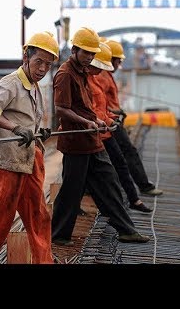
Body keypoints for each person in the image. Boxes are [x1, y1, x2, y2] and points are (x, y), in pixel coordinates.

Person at [0, 31, 57, 264]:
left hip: (29, 158)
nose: (43, 69)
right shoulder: (11, 83)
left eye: (48, 64)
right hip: (8, 161)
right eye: (39, 62)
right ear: (26, 57)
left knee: (39, 215)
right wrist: (14, 128)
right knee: (0, 219)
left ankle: (45, 261)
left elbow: (28, 121)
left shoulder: (34, 86)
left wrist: (38, 133)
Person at [51, 27, 150, 246]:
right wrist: (87, 122)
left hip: (92, 139)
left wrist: (99, 120)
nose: (89, 57)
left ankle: (126, 230)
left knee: (109, 183)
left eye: (92, 54)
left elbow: (88, 107)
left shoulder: (83, 72)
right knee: (71, 191)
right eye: (86, 52)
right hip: (76, 141)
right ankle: (58, 235)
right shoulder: (66, 74)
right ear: (75, 49)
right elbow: (61, 109)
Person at [87, 42, 152, 213]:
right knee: (112, 168)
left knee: (115, 165)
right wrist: (110, 118)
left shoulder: (99, 76)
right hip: (100, 131)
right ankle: (128, 203)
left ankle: (132, 200)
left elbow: (101, 106)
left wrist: (112, 116)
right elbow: (93, 109)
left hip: (107, 127)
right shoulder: (97, 77)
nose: (118, 65)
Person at [100, 39, 163, 196]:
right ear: (110, 59)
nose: (118, 65)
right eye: (118, 61)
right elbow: (98, 104)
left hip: (111, 120)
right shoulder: (102, 76)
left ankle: (130, 191)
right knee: (128, 153)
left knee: (118, 157)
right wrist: (116, 113)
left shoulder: (106, 75)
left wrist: (117, 111)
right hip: (109, 122)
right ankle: (142, 187)